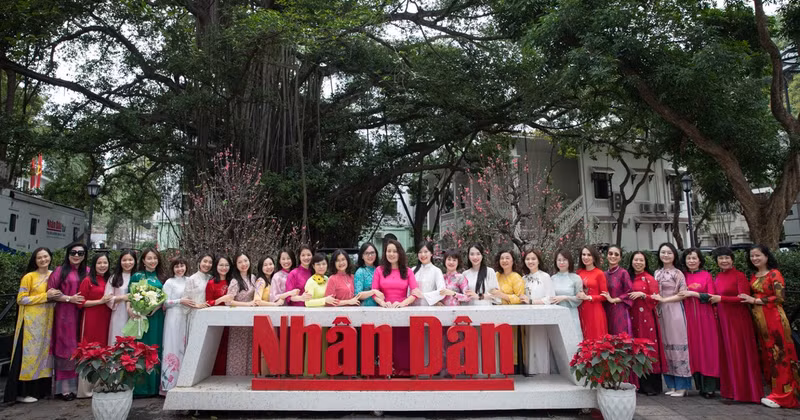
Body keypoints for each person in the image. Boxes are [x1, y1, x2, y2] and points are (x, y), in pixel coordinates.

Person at [740, 245, 800, 408]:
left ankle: (784, 395)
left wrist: (755, 300)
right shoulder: (754, 275)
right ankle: (775, 391)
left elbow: (780, 298)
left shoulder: (774, 274)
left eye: (758, 255)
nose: (755, 258)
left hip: (774, 318)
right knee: (767, 355)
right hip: (761, 320)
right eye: (752, 256)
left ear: (767, 256)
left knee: (779, 355)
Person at [707, 247, 763, 403]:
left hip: (738, 321)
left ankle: (747, 393)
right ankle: (731, 391)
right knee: (728, 355)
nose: (724, 261)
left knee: (740, 354)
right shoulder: (717, 277)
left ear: (732, 259)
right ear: (716, 261)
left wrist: (721, 299)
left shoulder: (739, 276)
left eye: (727, 258)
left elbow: (743, 298)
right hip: (723, 321)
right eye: (720, 258)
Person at [3, 248, 56, 404]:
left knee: (44, 355)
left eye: (45, 256)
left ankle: (41, 391)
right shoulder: (29, 277)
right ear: (35, 260)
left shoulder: (53, 275)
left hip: (47, 323)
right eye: (39, 257)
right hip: (30, 324)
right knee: (28, 357)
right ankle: (22, 392)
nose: (43, 260)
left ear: (50, 258)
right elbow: (21, 299)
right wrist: (45, 296)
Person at [48, 241, 88, 400]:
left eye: (80, 253)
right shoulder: (60, 271)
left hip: (84, 315)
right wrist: (69, 299)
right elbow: (50, 292)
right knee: (66, 349)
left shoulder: (88, 271)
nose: (76, 255)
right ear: (68, 254)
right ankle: (64, 389)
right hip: (65, 316)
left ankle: (79, 387)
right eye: (73, 252)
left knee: (82, 347)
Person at [679, 248, 721, 398]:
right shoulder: (681, 276)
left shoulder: (706, 276)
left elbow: (712, 296)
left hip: (706, 318)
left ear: (700, 260)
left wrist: (693, 294)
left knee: (708, 350)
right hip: (688, 319)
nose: (691, 261)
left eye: (694, 258)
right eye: (688, 258)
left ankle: (709, 387)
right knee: (694, 350)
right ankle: (699, 385)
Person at [372, 240, 418, 376]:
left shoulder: (408, 272)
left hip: (402, 312)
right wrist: (383, 303)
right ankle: (386, 370)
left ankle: (404, 371)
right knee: (386, 342)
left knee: (402, 342)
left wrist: (403, 303)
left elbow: (415, 293)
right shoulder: (379, 270)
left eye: (394, 251)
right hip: (384, 311)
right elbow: (374, 292)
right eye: (388, 251)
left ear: (400, 253)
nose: (391, 254)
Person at [652, 242, 691, 397]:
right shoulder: (657, 273)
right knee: (665, 346)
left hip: (674, 310)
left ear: (674, 255)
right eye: (663, 252)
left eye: (669, 252)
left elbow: (683, 293)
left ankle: (682, 386)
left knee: (678, 345)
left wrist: (664, 300)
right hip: (660, 312)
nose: (666, 255)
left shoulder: (678, 274)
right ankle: (672, 385)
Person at [627, 251, 667, 396]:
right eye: (635, 260)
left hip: (646, 318)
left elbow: (656, 299)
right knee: (635, 348)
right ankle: (639, 384)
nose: (638, 263)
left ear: (645, 262)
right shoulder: (630, 277)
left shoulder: (649, 279)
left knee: (648, 348)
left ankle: (652, 386)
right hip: (632, 317)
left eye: (641, 260)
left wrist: (643, 295)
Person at [130, 248, 166, 397]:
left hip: (157, 317)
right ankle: (140, 388)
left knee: (156, 348)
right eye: (149, 258)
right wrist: (134, 309)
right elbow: (131, 295)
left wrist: (156, 306)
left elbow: (165, 296)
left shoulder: (162, 277)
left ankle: (154, 387)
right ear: (143, 261)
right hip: (141, 317)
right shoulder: (137, 276)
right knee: (141, 349)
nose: (152, 261)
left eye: (155, 258)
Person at [76, 253, 113, 398]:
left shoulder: (109, 280)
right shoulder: (87, 280)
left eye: (105, 263)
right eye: (99, 263)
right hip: (91, 319)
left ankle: (100, 386)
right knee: (89, 350)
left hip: (106, 319)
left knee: (103, 350)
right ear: (94, 265)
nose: (103, 265)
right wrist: (100, 301)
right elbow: (80, 302)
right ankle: (85, 390)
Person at [161, 257, 194, 392]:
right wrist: (180, 301)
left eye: (182, 266)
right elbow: (164, 303)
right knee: (172, 346)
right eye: (177, 267)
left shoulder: (189, 280)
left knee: (184, 347)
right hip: (173, 317)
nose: (180, 269)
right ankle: (169, 384)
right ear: (173, 268)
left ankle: (184, 381)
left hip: (186, 317)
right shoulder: (170, 282)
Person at [225, 253, 260, 375]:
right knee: (238, 347)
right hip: (238, 317)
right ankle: (235, 375)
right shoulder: (235, 281)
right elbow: (228, 301)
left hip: (252, 317)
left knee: (251, 345)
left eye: (245, 261)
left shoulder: (253, 278)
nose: (243, 264)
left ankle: (250, 374)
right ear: (236, 265)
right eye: (240, 262)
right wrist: (247, 304)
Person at [521, 249, 555, 375]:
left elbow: (550, 298)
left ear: (539, 260)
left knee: (540, 343)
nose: (530, 261)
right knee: (528, 344)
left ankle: (542, 372)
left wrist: (532, 302)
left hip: (542, 316)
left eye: (533, 259)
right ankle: (530, 371)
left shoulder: (545, 276)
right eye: (528, 259)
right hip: (526, 317)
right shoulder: (524, 278)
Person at [205, 256, 234, 375]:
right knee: (217, 346)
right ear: (216, 267)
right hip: (216, 321)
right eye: (221, 265)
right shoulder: (211, 283)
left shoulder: (232, 281)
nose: (224, 268)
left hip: (231, 319)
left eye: (226, 265)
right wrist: (221, 299)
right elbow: (208, 302)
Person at [549, 249, 584, 340]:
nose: (561, 262)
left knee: (573, 339)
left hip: (571, 313)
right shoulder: (552, 279)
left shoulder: (576, 278)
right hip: (556, 314)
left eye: (564, 260)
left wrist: (565, 297)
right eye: (559, 260)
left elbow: (580, 299)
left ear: (569, 261)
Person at [576, 246, 608, 340]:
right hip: (580, 309)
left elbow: (604, 296)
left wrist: (589, 297)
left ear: (594, 257)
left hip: (595, 310)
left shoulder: (599, 273)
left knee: (596, 339)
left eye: (589, 255)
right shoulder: (578, 273)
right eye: (583, 254)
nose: (585, 257)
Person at [182, 253, 214, 341]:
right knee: (195, 341)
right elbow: (185, 300)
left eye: (210, 262)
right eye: (205, 261)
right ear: (199, 262)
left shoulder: (211, 278)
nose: (207, 264)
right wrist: (197, 305)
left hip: (208, 314)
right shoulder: (192, 279)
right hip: (195, 314)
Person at [105, 250, 136, 344]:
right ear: (120, 262)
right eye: (124, 260)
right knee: (117, 339)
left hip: (134, 315)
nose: (127, 263)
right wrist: (122, 298)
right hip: (118, 314)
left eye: (130, 260)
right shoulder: (114, 277)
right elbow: (107, 298)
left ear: (135, 261)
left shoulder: (138, 277)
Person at [602, 245, 632, 335]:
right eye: (610, 254)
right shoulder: (603, 274)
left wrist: (613, 299)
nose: (613, 256)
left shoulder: (623, 273)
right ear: (607, 256)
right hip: (605, 309)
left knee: (619, 337)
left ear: (620, 258)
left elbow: (629, 293)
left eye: (616, 254)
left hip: (619, 310)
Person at [411, 242, 445, 306]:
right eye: (420, 252)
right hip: (413, 308)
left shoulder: (436, 271)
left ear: (431, 253)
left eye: (426, 252)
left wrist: (423, 295)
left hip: (429, 309)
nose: (423, 254)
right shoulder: (413, 270)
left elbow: (442, 292)